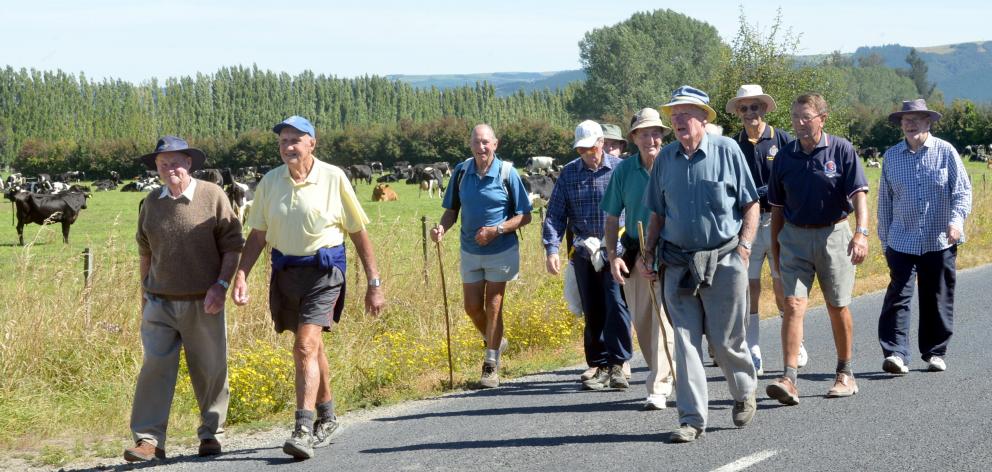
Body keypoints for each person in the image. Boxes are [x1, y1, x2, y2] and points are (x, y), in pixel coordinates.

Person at [231, 115, 385, 460]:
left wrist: (374, 283)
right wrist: (241, 274)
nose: (288, 147)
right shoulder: (270, 182)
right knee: (311, 349)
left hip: (324, 272)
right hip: (286, 272)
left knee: (304, 345)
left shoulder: (334, 178)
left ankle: (302, 428)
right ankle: (328, 418)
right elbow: (257, 235)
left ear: (312, 143)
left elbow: (359, 232)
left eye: (295, 140)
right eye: (283, 141)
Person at [642, 85, 759, 443]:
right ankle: (692, 419)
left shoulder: (728, 151)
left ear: (703, 118)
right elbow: (657, 214)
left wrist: (744, 248)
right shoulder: (665, 160)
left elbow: (750, 204)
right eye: (673, 115)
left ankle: (743, 391)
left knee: (725, 341)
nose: (677, 120)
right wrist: (648, 254)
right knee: (685, 341)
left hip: (725, 259)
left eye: (685, 113)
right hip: (677, 263)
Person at [125, 136, 244, 462]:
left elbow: (233, 246)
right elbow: (145, 251)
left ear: (189, 162)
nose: (169, 168)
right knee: (154, 369)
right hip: (159, 301)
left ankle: (211, 434)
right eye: (163, 164)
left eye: (176, 162)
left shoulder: (212, 195)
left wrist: (221, 284)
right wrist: (144, 295)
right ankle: (149, 441)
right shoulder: (151, 202)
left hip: (203, 300)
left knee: (210, 369)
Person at [766, 94, 869, 406]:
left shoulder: (841, 149)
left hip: (835, 235)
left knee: (837, 305)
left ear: (822, 118)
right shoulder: (784, 157)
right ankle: (789, 378)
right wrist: (776, 253)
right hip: (795, 238)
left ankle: (845, 373)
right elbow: (777, 209)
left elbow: (859, 194)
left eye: (805, 116)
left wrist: (861, 233)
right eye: (795, 116)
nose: (798, 123)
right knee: (793, 304)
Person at [430, 124, 533, 388]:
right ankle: (496, 340)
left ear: (495, 144)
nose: (481, 147)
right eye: (477, 142)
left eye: (486, 142)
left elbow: (525, 215)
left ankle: (490, 365)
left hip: (501, 250)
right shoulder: (462, 172)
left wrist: (497, 230)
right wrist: (442, 227)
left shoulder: (508, 173)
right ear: (471, 145)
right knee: (472, 307)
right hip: (470, 249)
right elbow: (452, 210)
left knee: (494, 304)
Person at [877, 99, 972, 374]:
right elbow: (885, 201)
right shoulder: (892, 156)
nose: (911, 123)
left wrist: (956, 222)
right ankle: (896, 353)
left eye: (917, 118)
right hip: (902, 239)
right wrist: (885, 241)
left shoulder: (946, 152)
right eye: (906, 119)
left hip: (939, 238)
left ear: (928, 122)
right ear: (901, 125)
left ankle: (935, 352)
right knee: (899, 296)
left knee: (937, 295)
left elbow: (962, 191)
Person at [543, 119, 633, 391]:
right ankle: (600, 365)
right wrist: (551, 248)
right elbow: (556, 214)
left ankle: (619, 364)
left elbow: (636, 205)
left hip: (616, 248)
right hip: (583, 250)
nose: (585, 153)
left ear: (601, 144)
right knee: (591, 307)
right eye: (580, 149)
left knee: (616, 304)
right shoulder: (569, 174)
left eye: (589, 148)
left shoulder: (620, 169)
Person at [726, 84, 807, 374]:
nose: (750, 113)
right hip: (745, 224)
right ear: (738, 112)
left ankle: (794, 340)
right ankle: (753, 347)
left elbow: (796, 178)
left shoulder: (782, 139)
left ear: (764, 108)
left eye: (755, 107)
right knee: (749, 286)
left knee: (780, 282)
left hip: (777, 221)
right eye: (744, 108)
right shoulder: (732, 145)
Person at [601, 108, 676, 410]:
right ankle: (668, 374)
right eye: (644, 133)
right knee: (644, 323)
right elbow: (610, 217)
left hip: (672, 251)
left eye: (656, 132)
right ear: (633, 138)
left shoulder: (674, 164)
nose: (651, 139)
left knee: (666, 322)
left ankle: (660, 384)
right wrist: (612, 256)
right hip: (635, 250)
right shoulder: (623, 171)